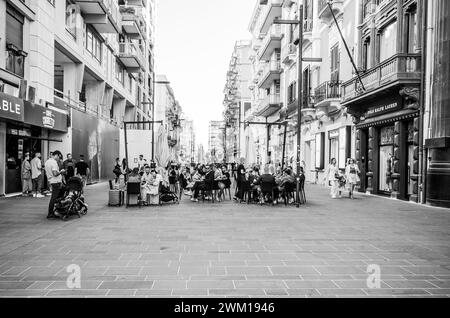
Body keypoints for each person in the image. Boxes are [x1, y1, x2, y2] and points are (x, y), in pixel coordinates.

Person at [45, 150, 65, 219]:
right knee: (53, 198)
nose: (58, 159)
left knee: (56, 196)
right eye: (59, 157)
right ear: (56, 155)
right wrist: (61, 171)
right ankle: (50, 213)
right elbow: (55, 173)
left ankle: (57, 209)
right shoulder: (53, 162)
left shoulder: (47, 162)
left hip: (51, 181)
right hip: (56, 182)